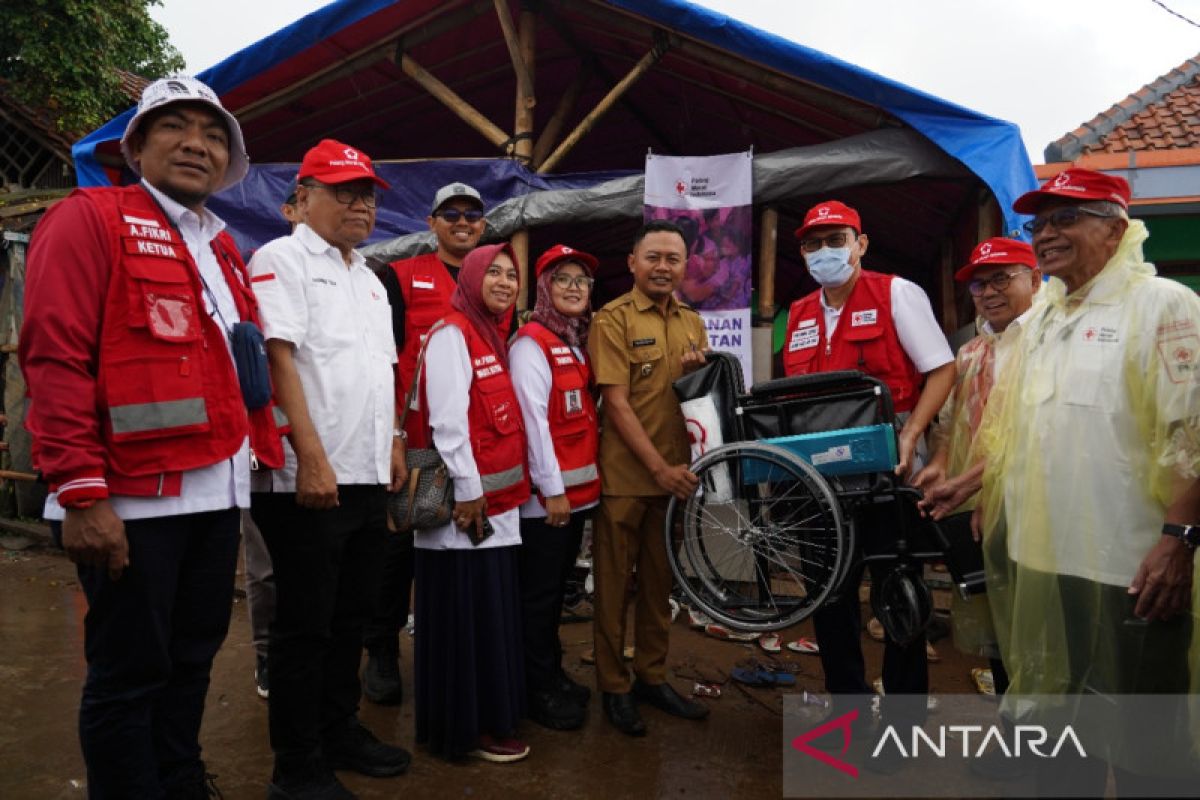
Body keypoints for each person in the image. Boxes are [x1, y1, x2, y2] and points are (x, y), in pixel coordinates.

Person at [18, 76, 287, 798]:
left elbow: (237, 370)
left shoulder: (223, 250)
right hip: (130, 503)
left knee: (193, 658)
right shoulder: (89, 218)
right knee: (128, 675)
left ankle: (179, 780)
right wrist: (79, 492)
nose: (195, 143)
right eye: (173, 127)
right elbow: (55, 357)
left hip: (215, 493)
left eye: (211, 131)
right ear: (136, 146)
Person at [974, 167, 1200, 796]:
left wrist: (1178, 539)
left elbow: (1195, 435)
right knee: (1059, 735)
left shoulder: (1164, 306)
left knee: (1147, 747)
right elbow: (1021, 429)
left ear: (1116, 228)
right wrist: (982, 486)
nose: (1045, 234)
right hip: (1045, 567)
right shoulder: (1044, 315)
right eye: (1038, 223)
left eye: (1065, 218)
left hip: (1131, 569)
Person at [248, 138, 410, 797]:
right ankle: (297, 764)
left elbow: (383, 373)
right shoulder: (281, 259)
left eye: (367, 194)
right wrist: (309, 458)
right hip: (307, 483)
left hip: (367, 476)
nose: (360, 204)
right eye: (344, 191)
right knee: (305, 626)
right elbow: (278, 360)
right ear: (303, 197)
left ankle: (339, 728)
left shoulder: (369, 278)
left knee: (353, 618)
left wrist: (395, 442)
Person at [781, 200, 955, 762]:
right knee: (829, 597)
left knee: (897, 595)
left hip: (888, 471)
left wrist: (914, 436)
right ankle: (849, 716)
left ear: (862, 243)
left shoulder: (896, 292)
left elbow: (941, 368)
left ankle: (903, 727)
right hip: (821, 480)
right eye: (812, 243)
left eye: (836, 239)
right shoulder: (799, 311)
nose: (824, 251)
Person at [362, 182, 489, 705]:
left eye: (473, 214)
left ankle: (454, 653)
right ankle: (382, 652)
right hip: (413, 441)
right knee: (396, 552)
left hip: (478, 440)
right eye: (451, 213)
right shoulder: (400, 277)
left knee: (461, 549)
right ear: (432, 222)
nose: (463, 221)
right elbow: (383, 360)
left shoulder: (493, 280)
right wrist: (391, 433)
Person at [588, 220, 711, 736]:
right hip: (625, 479)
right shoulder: (611, 320)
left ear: (685, 266)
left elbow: (699, 401)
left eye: (674, 259)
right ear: (633, 262)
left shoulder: (693, 322)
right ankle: (614, 687)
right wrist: (657, 468)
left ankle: (652, 677)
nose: (664, 267)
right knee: (615, 589)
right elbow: (615, 404)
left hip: (677, 478)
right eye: (654, 257)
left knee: (661, 587)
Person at [414, 242, 533, 763]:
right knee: (467, 618)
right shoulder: (451, 335)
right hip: (467, 511)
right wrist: (468, 493)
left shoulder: (492, 336)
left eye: (512, 275)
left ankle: (491, 716)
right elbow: (447, 423)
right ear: (472, 278)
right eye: (495, 273)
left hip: (495, 506)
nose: (505, 282)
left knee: (489, 615)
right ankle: (467, 728)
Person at [510, 244, 601, 731]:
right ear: (544, 288)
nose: (573, 287)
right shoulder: (532, 343)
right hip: (547, 503)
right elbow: (532, 424)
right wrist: (552, 491)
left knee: (554, 597)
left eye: (581, 280)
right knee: (538, 598)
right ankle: (535, 690)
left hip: (575, 498)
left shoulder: (573, 340)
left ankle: (551, 674)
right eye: (562, 278)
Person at [245, 178, 303, 701]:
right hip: (268, 445)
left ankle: (299, 652)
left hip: (316, 451)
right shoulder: (265, 267)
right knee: (265, 567)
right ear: (291, 208)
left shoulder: (348, 279)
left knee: (309, 564)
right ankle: (267, 654)